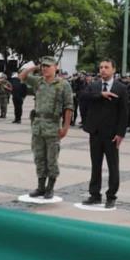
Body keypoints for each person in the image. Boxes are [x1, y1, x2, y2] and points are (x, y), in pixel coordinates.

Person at [19, 56, 74, 199]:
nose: (45, 68)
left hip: (53, 126)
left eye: (48, 66)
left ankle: (50, 187)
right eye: (43, 66)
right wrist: (34, 67)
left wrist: (65, 128)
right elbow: (22, 76)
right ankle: (40, 187)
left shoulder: (63, 85)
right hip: (38, 126)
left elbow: (69, 107)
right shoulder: (38, 81)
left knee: (52, 159)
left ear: (56, 67)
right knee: (39, 157)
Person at [79, 59, 128, 208]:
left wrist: (120, 133)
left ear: (113, 69)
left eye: (106, 67)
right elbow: (83, 97)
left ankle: (111, 196)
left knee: (113, 166)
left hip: (112, 134)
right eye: (101, 67)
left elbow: (124, 112)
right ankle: (94, 194)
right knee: (96, 164)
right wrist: (100, 94)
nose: (103, 70)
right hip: (95, 132)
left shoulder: (121, 88)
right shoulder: (93, 86)